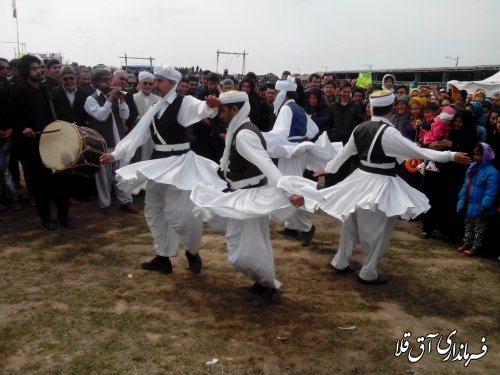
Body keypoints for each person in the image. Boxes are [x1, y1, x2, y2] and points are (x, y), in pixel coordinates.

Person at [314, 90, 470, 284]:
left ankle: (340, 261)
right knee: (378, 230)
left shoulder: (360, 128)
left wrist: (328, 169)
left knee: (350, 221)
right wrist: (450, 156)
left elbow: (344, 154)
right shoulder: (390, 133)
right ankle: (368, 272)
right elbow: (419, 151)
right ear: (392, 107)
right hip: (379, 183)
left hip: (359, 179)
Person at [100, 65, 226, 275]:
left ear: (172, 83)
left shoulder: (184, 102)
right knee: (154, 209)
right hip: (159, 163)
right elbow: (139, 134)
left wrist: (210, 106)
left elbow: (200, 109)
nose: (155, 84)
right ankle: (163, 257)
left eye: (159, 81)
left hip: (180, 166)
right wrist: (116, 154)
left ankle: (192, 252)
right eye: (155, 80)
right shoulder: (156, 107)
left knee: (180, 215)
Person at [190, 91, 315, 301]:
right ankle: (265, 283)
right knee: (255, 242)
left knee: (241, 249)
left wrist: (288, 191)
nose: (220, 115)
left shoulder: (244, 134)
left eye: (223, 110)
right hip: (244, 194)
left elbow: (266, 164)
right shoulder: (240, 129)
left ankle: (267, 284)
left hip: (250, 197)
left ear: (234, 110)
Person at [7, 55, 73, 229]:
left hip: (53, 140)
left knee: (61, 179)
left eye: (40, 67)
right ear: (25, 71)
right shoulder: (17, 92)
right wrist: (23, 128)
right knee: (40, 183)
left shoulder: (46, 88)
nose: (39, 71)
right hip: (33, 144)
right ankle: (46, 219)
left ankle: (64, 216)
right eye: (35, 68)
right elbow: (10, 117)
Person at [84, 67, 137, 214]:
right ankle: (105, 204)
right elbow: (101, 116)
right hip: (102, 143)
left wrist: (121, 99)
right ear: (96, 82)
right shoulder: (91, 99)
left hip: (119, 142)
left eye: (109, 79)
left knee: (122, 174)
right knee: (103, 177)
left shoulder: (113, 96)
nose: (108, 82)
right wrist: (111, 98)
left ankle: (125, 202)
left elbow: (125, 115)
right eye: (104, 80)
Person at [456, 143, 499, 256]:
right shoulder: (472, 167)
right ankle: (467, 243)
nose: (475, 157)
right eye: (474, 154)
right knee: (468, 224)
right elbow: (466, 185)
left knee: (479, 228)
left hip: (481, 205)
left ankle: (475, 247)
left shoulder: (492, 172)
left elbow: (491, 191)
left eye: (478, 155)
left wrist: (485, 204)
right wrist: (462, 199)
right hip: (469, 202)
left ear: (485, 155)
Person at [132, 71, 160, 162]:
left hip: (153, 134)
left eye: (150, 83)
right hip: (138, 133)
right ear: (139, 83)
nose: (148, 85)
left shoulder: (158, 99)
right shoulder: (133, 98)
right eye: (145, 83)